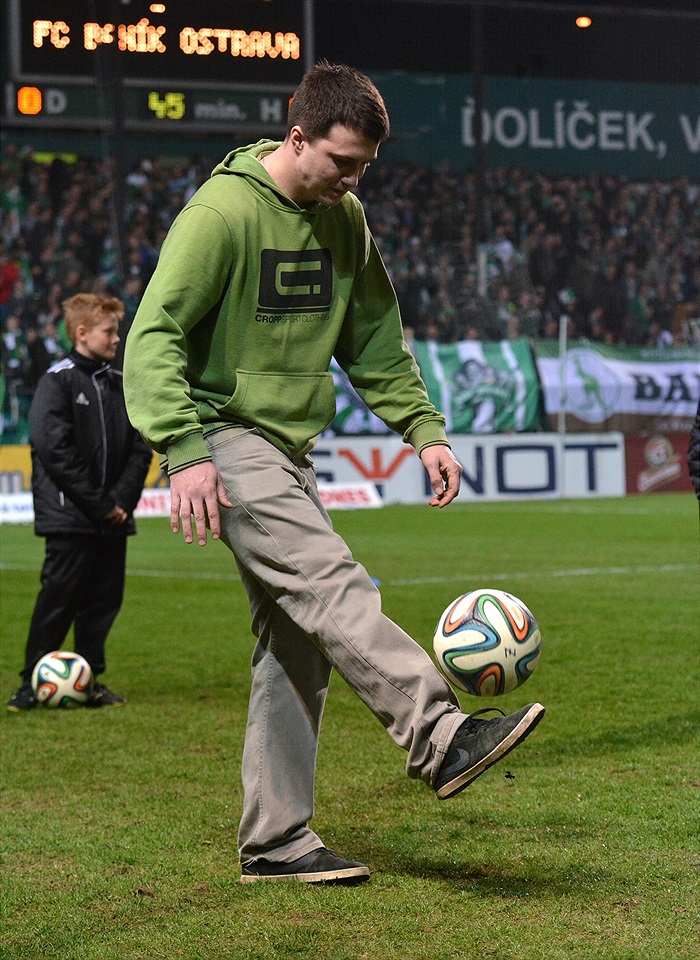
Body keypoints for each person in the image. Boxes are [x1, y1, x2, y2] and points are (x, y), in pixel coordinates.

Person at [123, 62, 545, 885]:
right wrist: (185, 450)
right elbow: (154, 335)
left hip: (290, 448)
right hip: (225, 435)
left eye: (365, 167)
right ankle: (440, 735)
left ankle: (276, 843)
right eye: (342, 162)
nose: (354, 180)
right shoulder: (221, 214)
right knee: (330, 582)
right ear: (297, 137)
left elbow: (376, 339)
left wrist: (423, 430)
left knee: (298, 643)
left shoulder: (345, 218)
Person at [6, 293, 153, 712]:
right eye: (110, 332)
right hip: (69, 515)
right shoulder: (57, 381)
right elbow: (55, 452)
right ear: (82, 333)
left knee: (104, 601)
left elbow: (141, 447)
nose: (117, 339)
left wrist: (121, 500)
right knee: (59, 598)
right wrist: (102, 503)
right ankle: (31, 682)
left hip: (112, 515)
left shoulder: (120, 383)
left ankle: (87, 681)